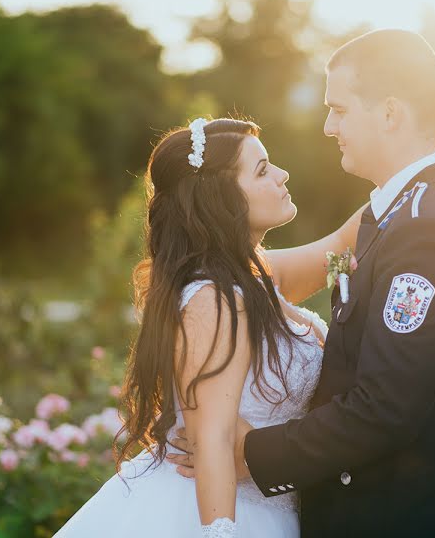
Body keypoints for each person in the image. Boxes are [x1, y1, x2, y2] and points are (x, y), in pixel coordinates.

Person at [171, 29, 435, 537]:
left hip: (397, 521)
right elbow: (240, 278)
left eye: (340, 110)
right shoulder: (389, 213)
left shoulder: (429, 229)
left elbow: (385, 408)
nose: (329, 127)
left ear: (390, 113)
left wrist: (246, 453)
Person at [54, 117, 365, 537]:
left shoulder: (256, 278)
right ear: (222, 199)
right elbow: (215, 439)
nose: (282, 174)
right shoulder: (214, 297)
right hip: (223, 512)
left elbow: (342, 246)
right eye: (261, 169)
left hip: (274, 503)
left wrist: (414, 177)